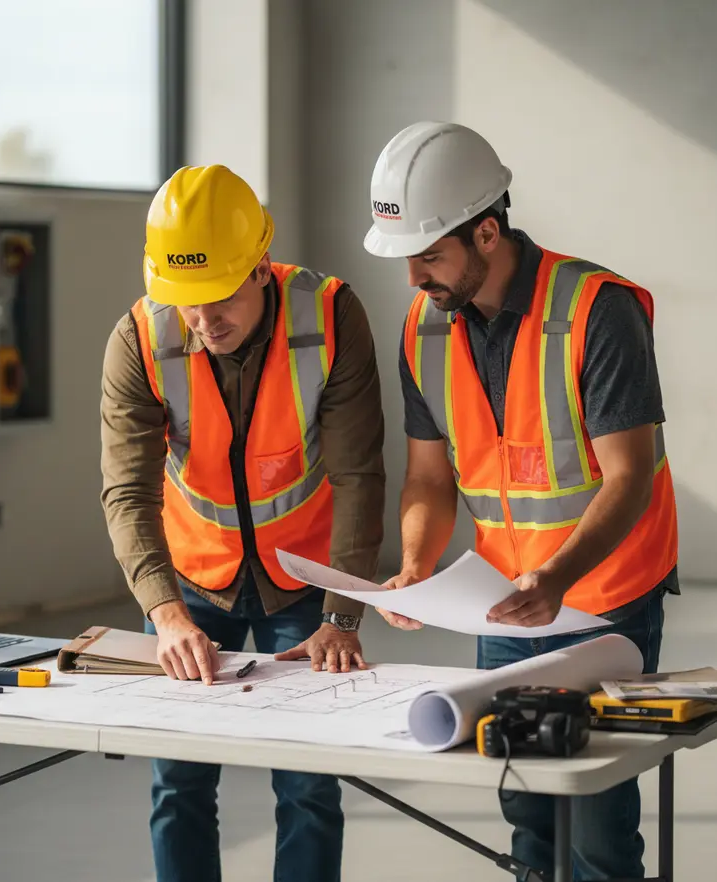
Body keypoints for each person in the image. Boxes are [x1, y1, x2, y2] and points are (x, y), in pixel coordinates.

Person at [363, 121, 678, 880]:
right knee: (527, 814)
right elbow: (431, 479)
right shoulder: (423, 330)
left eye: (430, 257)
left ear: (488, 233)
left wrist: (559, 578)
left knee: (598, 828)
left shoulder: (598, 311)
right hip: (504, 602)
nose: (415, 280)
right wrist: (415, 563)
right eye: (407, 260)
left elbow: (628, 473)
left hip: (605, 601)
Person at [100, 163, 385, 882]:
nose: (202, 320)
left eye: (218, 297)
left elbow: (358, 474)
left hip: (307, 583)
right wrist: (164, 614)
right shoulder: (139, 337)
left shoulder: (331, 315)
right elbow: (127, 491)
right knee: (179, 784)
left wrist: (343, 615)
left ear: (261, 267)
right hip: (192, 582)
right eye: (185, 302)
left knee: (309, 786)